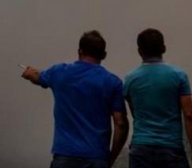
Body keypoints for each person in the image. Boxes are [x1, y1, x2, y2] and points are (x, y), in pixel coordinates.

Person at [20, 30, 129, 168]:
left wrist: (29, 73)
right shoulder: (113, 82)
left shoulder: (59, 73)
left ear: (79, 51)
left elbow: (38, 77)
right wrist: (111, 157)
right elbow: (121, 124)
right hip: (97, 158)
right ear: (104, 55)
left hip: (65, 156)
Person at [124, 28, 192, 168]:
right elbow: (189, 115)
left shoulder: (130, 79)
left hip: (140, 149)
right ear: (164, 48)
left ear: (139, 51)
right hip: (171, 148)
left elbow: (135, 112)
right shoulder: (179, 76)